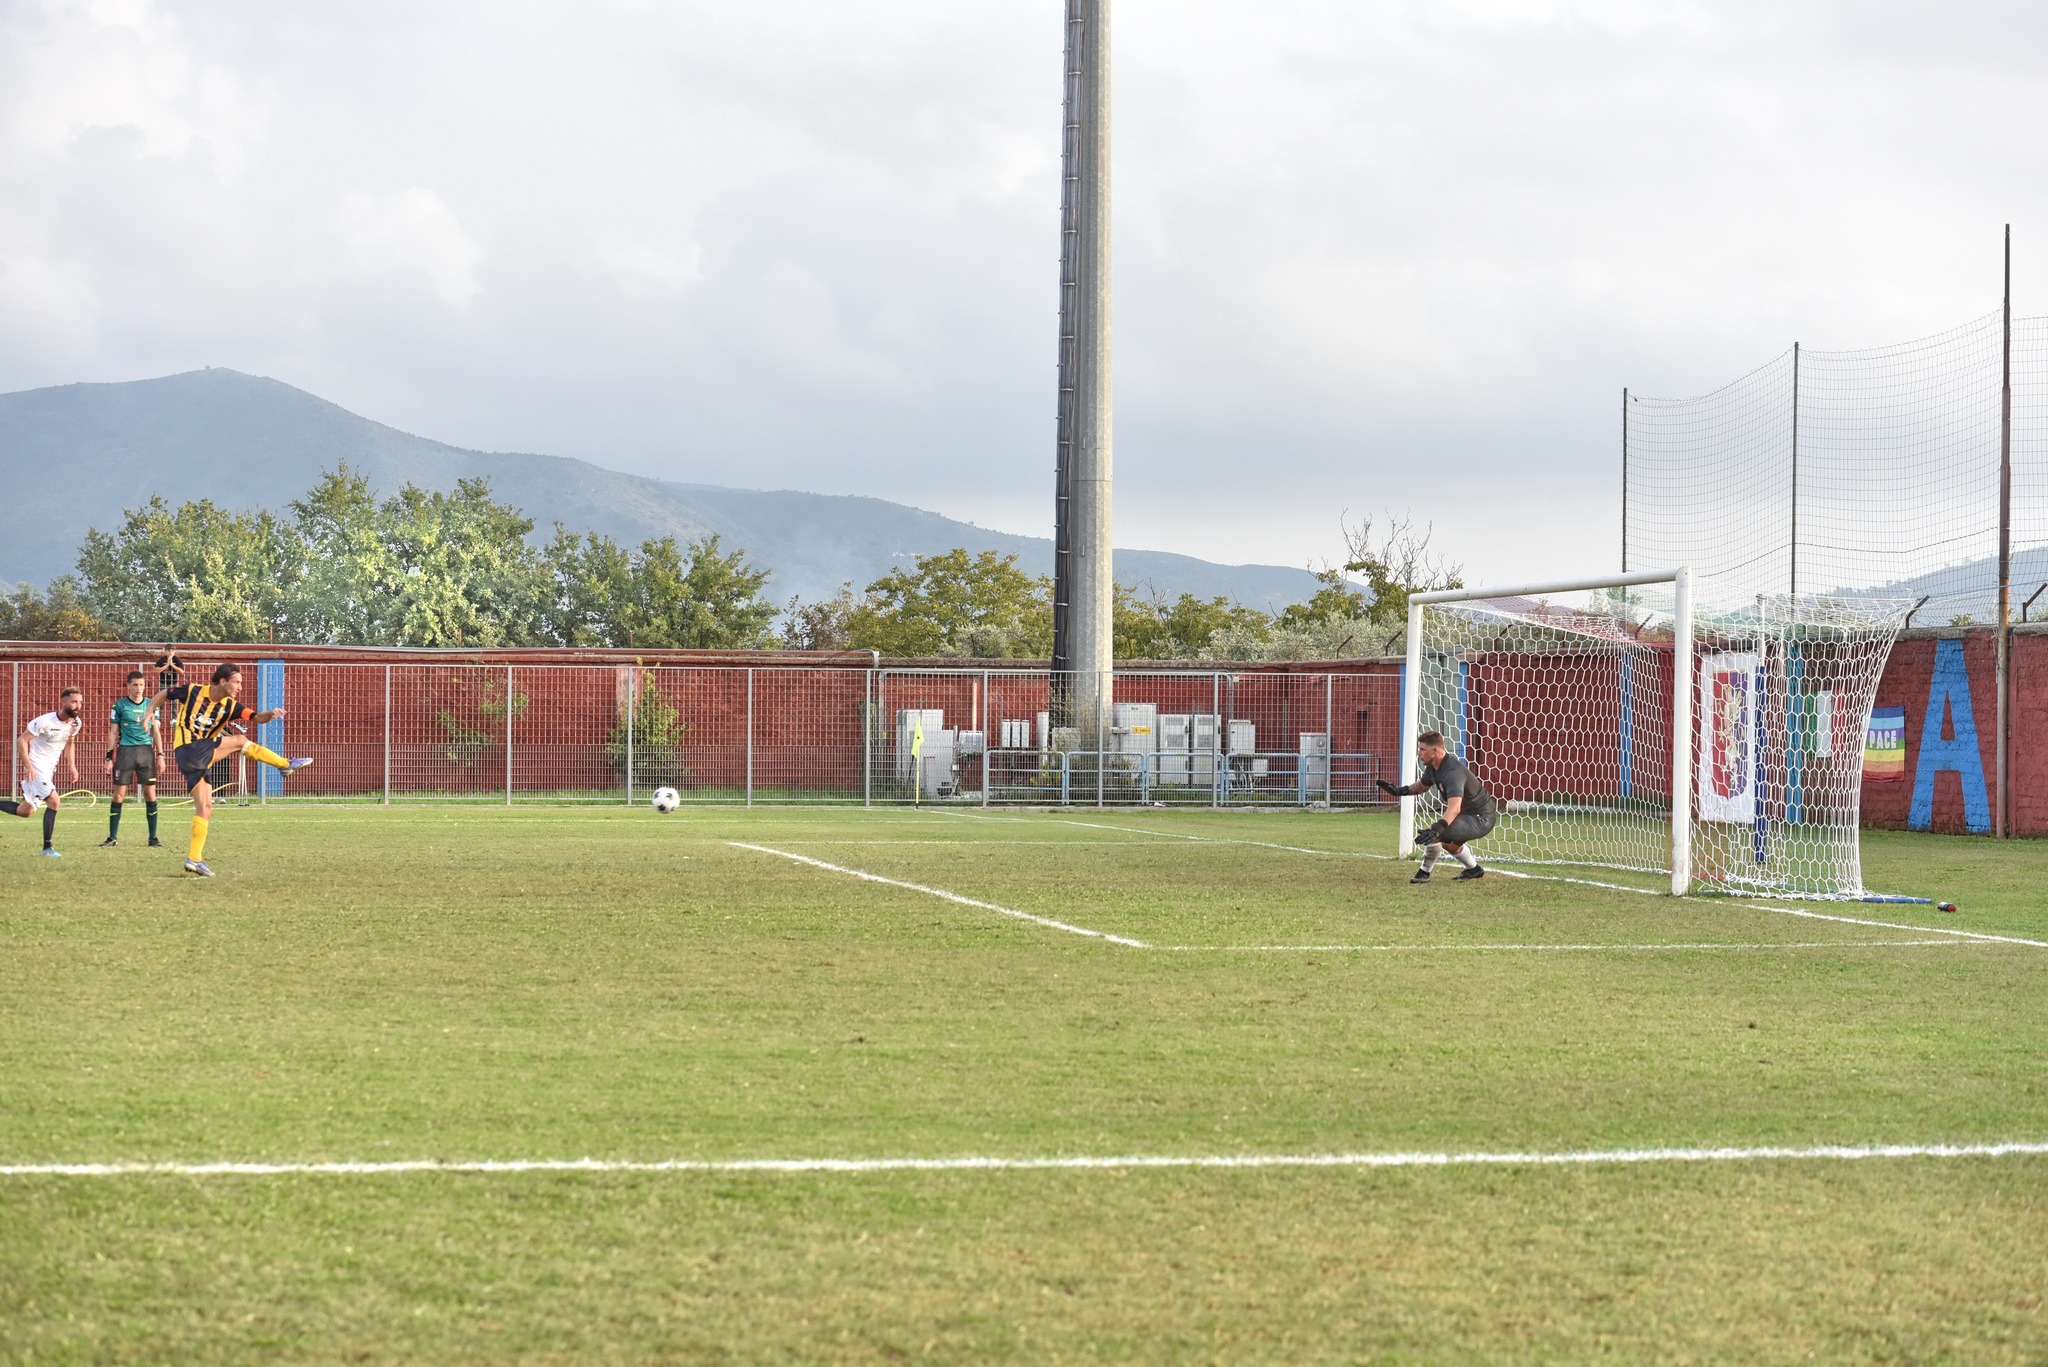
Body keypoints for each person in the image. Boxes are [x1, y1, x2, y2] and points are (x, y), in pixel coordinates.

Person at [145, 663, 313, 877]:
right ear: (223, 681)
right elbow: (165, 694)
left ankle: (194, 858)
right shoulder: (193, 690)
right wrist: (150, 711)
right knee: (240, 740)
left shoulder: (231, 706)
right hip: (188, 748)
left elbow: (256, 717)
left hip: (198, 757)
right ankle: (284, 765)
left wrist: (269, 714)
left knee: (206, 807)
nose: (240, 687)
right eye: (237, 682)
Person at [1377, 730, 1496, 884]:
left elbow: (1454, 808)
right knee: (1448, 844)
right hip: (1468, 815)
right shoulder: (1434, 766)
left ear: (1435, 751)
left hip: (1481, 818)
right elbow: (1423, 786)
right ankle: (1474, 870)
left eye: (1422, 749)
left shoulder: (1452, 772)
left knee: (1434, 833)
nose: (1419, 753)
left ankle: (1423, 873)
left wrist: (1436, 829)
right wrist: (1399, 791)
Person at [10, 686, 84, 858]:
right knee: (54, 801)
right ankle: (47, 848)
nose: (78, 706)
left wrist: (72, 766)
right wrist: (28, 766)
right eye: (74, 702)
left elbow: (70, 744)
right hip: (36, 768)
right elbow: (22, 740)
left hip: (49, 769)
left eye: (80, 702)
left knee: (25, 811)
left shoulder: (76, 723)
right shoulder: (45, 721)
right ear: (63, 702)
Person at [102, 669, 166, 848]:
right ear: (128, 686)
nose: (138, 688)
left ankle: (153, 838)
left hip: (146, 753)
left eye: (141, 685)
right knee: (118, 795)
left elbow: (156, 732)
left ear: (145, 686)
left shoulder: (152, 705)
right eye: (135, 685)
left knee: (150, 794)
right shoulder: (118, 706)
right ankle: (112, 837)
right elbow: (113, 733)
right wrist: (108, 757)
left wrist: (161, 755)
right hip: (126, 752)